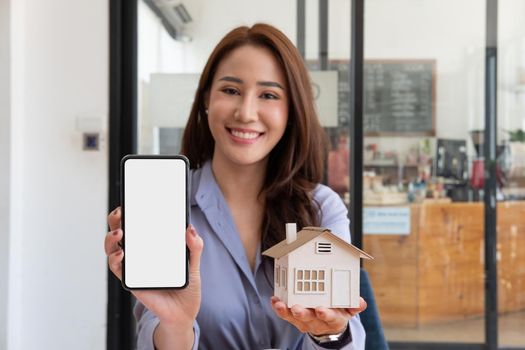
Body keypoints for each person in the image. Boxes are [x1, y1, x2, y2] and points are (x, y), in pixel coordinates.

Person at [105, 23, 367, 350]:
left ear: (292, 111)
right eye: (231, 90)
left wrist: (329, 334)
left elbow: (348, 336)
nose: (245, 112)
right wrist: (176, 322)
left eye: (269, 95)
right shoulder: (168, 205)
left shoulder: (322, 207)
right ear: (206, 99)